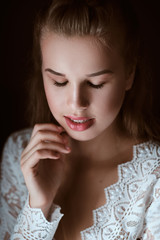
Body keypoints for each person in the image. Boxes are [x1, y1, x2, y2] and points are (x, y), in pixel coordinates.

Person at [1, 0, 160, 239]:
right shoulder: (18, 153)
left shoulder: (154, 177)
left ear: (129, 74)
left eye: (96, 83)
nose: (76, 103)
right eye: (59, 82)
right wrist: (38, 206)